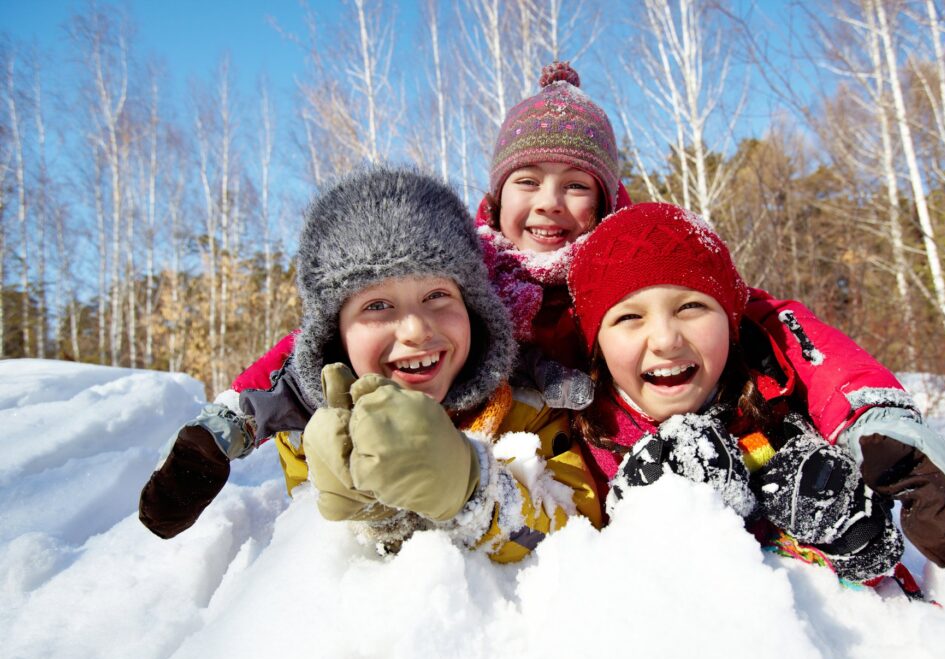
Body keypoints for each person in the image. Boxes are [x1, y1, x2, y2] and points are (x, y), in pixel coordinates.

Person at [143, 62, 945, 572]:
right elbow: (313, 347)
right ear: (494, 194)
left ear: (607, 200)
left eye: (577, 185)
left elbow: (767, 320)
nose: (551, 204)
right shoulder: (452, 279)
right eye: (528, 180)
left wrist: (878, 421)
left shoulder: (632, 279)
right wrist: (228, 424)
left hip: (575, 461)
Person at [141, 165, 601, 562]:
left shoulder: (524, 406)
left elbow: (570, 526)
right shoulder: (312, 426)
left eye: (437, 295)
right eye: (378, 306)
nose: (417, 330)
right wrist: (376, 518)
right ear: (334, 334)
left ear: (475, 308)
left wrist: (472, 489)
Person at [567, 202, 910, 583]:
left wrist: (853, 539)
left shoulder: (774, 414)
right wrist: (632, 525)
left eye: (691, 307)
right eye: (630, 317)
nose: (665, 339)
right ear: (596, 343)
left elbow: (876, 601)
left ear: (731, 322)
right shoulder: (576, 445)